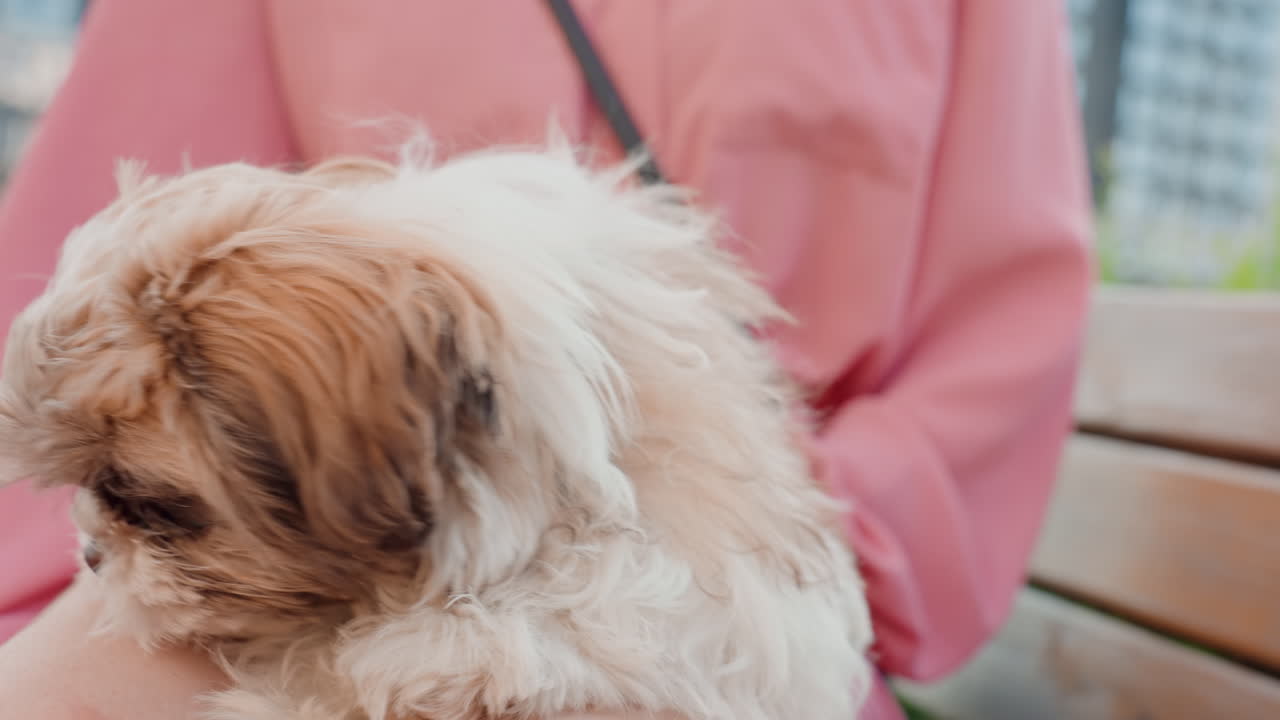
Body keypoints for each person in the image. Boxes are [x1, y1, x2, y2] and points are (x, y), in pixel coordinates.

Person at [0, 1, 1093, 718]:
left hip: (733, 603)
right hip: (262, 585)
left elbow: (989, 364)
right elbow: (89, 365)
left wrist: (715, 573)